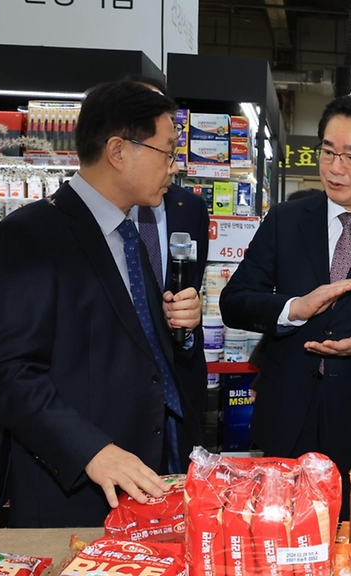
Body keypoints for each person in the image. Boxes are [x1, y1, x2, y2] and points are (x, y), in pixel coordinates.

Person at [0, 81, 203, 527]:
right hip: (75, 486)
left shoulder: (129, 236)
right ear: (119, 151)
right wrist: (91, 450)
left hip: (145, 470)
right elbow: (8, 373)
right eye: (167, 151)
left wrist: (183, 326)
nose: (173, 168)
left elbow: (139, 347)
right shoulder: (29, 236)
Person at [219, 95, 351, 517]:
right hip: (288, 413)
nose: (335, 167)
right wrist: (293, 309)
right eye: (328, 151)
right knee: (278, 530)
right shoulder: (286, 220)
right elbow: (236, 302)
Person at [126, 75, 211, 416]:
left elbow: (191, 285)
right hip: (117, 394)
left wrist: (189, 321)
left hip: (178, 380)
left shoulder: (188, 208)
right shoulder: (85, 217)